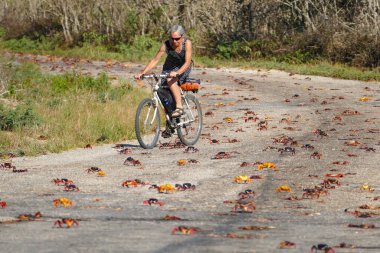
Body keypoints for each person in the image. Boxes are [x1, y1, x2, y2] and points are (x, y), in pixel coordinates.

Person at [135, 24, 193, 119]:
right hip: (169, 66)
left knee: (171, 79)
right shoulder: (166, 45)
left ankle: (179, 107)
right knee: (161, 90)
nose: (174, 41)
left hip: (183, 66)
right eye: (172, 38)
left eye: (177, 39)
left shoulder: (187, 43)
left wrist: (177, 73)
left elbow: (187, 62)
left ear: (182, 37)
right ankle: (170, 120)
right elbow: (155, 60)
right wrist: (143, 72)